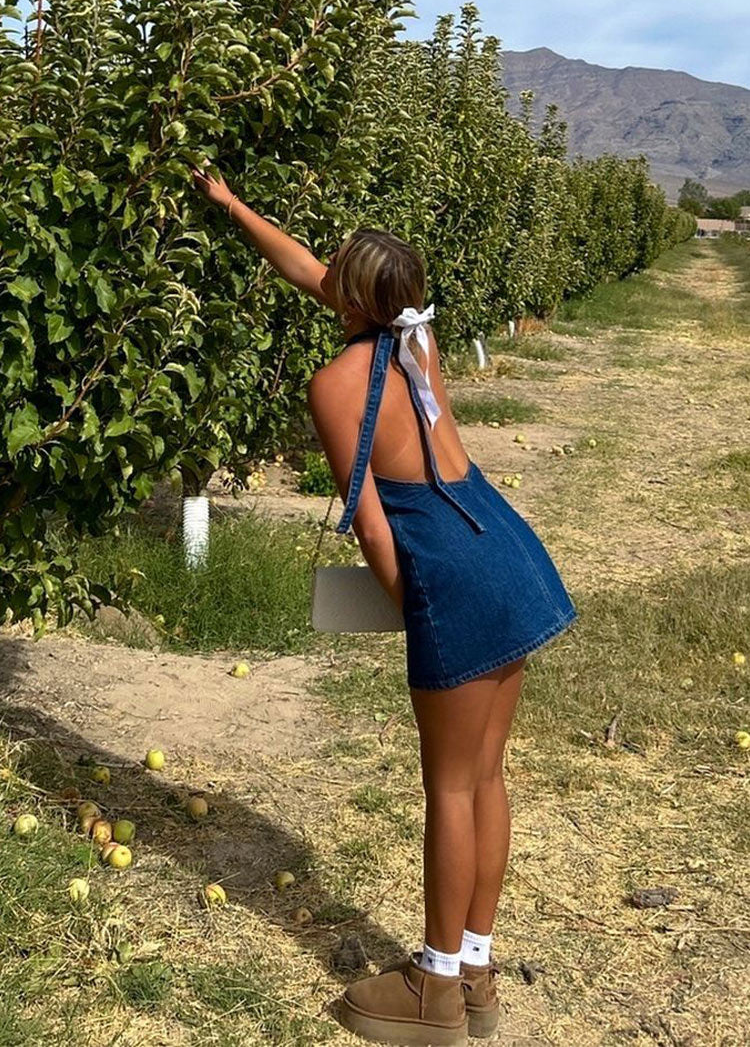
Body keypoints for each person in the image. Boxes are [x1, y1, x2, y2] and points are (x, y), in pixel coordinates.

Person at [192, 161, 579, 1047]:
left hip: (454, 572)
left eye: (337, 273)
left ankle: (433, 989)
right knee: (485, 776)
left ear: (355, 299)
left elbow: (372, 531)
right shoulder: (418, 344)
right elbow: (310, 272)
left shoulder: (334, 385)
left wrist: (420, 615)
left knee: (447, 784)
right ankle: (476, 968)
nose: (322, 274)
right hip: (507, 545)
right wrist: (231, 205)